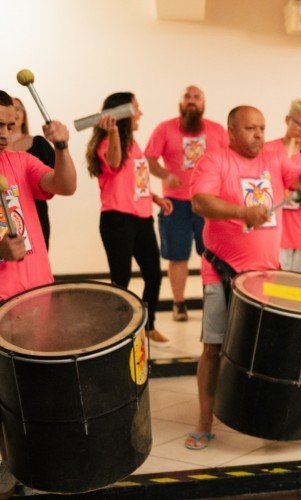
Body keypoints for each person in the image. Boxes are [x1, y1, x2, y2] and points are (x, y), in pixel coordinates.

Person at [186, 105, 301, 450]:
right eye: (250, 128)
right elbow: (200, 202)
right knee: (214, 347)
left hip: (266, 275)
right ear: (231, 131)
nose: (259, 134)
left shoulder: (273, 159)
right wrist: (242, 212)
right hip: (222, 271)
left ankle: (265, 416)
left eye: (262, 127)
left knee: (267, 351)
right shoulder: (215, 160)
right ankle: (204, 420)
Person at [0, 89, 77, 500]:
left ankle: (26, 466)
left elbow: (63, 186)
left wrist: (62, 148)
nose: (5, 133)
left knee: (31, 391)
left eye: (10, 125)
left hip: (34, 295)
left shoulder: (19, 160)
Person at [86, 92, 172, 343]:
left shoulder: (134, 144)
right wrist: (112, 133)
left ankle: (149, 326)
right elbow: (114, 164)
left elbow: (134, 180)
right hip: (117, 220)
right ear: (122, 112)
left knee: (154, 275)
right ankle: (120, 332)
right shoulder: (107, 142)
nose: (140, 113)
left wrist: (154, 197)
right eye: (136, 107)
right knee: (121, 279)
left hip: (142, 218)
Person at [145, 85, 228, 321]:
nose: (192, 101)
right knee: (178, 256)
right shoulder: (164, 128)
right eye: (187, 97)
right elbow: (149, 158)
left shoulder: (217, 130)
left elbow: (229, 160)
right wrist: (164, 175)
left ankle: (212, 300)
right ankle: (178, 303)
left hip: (209, 202)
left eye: (197, 97)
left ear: (203, 104)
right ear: (181, 102)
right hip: (175, 203)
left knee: (211, 255)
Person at [268, 98, 301, 275]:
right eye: (298, 123)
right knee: (274, 290)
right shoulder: (267, 150)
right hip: (273, 235)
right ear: (287, 119)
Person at [8, 97, 55, 249]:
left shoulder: (38, 143)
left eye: (18, 108)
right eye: (11, 108)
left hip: (35, 211)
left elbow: (58, 179)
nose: (14, 112)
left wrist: (62, 146)